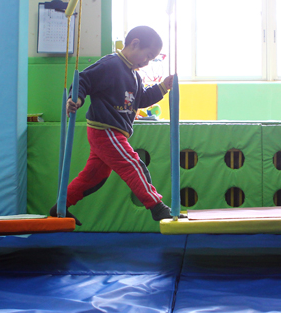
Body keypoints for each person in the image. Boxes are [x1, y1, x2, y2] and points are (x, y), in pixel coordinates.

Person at [50, 25, 187, 225]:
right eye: (147, 56)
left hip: (113, 133)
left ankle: (60, 207)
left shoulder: (135, 75)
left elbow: (141, 99)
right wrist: (77, 98)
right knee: (133, 165)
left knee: (94, 177)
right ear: (135, 43)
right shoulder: (111, 64)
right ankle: (157, 207)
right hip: (105, 129)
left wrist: (163, 87)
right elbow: (84, 80)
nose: (147, 62)